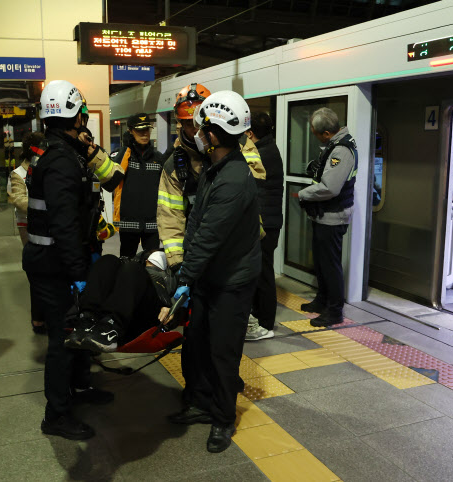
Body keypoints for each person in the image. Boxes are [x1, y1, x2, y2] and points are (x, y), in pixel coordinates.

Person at [167, 91, 262, 454]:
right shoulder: (214, 168)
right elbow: (195, 224)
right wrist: (189, 274)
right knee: (196, 346)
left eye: (201, 127)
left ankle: (223, 418)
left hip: (231, 284)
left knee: (223, 353)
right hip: (210, 278)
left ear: (216, 134)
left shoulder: (235, 178)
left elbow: (209, 237)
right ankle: (199, 401)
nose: (196, 133)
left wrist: (184, 279)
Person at [22, 80, 113, 441]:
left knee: (77, 330)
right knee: (63, 338)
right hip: (55, 264)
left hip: (53, 259)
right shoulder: (61, 159)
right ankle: (56, 415)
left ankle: (80, 386)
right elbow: (64, 223)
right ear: (75, 114)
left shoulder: (54, 149)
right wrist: (78, 273)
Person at [157, 83, 266, 269]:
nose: (193, 129)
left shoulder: (239, 143)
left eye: (196, 122)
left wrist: (218, 153)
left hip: (240, 243)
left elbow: (254, 182)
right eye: (186, 122)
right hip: (200, 246)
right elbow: (170, 216)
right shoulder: (175, 164)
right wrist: (178, 263)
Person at [298, 107, 358, 327]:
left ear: (325, 133)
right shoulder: (334, 145)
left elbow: (330, 187)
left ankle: (334, 311)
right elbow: (324, 171)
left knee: (330, 265)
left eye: (315, 133)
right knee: (322, 262)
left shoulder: (341, 150)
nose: (315, 137)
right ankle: (322, 300)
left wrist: (303, 194)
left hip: (333, 216)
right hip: (324, 215)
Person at [64, 250, 178, 352]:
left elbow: (184, 300)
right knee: (107, 260)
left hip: (149, 312)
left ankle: (111, 328)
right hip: (116, 308)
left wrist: (172, 306)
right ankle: (86, 321)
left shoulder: (179, 266)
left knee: (133, 268)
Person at [243, 112, 284, 341]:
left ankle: (265, 323)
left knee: (264, 274)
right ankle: (260, 317)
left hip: (266, 224)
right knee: (262, 273)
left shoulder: (262, 153)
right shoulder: (270, 148)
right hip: (271, 221)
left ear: (250, 133)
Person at [7, 131, 47, 334]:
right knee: (36, 271)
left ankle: (45, 314)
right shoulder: (18, 174)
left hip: (47, 226)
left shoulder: (45, 168)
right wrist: (47, 207)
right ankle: (38, 318)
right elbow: (19, 200)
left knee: (47, 271)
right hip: (28, 226)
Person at [111, 113, 164, 257]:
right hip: (129, 223)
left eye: (147, 129)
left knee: (153, 263)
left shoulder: (158, 158)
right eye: (140, 130)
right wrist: (127, 145)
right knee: (126, 264)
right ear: (130, 131)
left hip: (152, 224)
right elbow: (113, 177)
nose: (144, 134)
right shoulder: (124, 155)